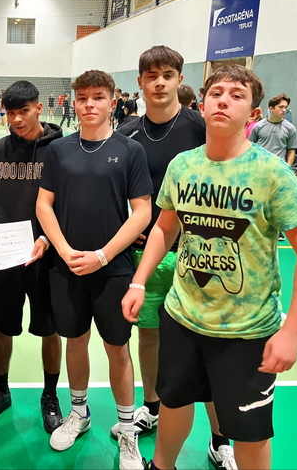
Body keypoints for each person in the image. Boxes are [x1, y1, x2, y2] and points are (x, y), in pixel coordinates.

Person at [125, 65, 297, 470]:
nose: (224, 101)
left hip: (246, 331)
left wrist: (291, 332)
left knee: (250, 432)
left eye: (237, 95)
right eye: (216, 93)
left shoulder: (272, 173)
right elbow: (165, 227)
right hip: (182, 317)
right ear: (201, 104)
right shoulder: (183, 165)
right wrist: (139, 282)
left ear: (253, 112)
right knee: (173, 403)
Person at [116, 45, 232, 469]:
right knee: (148, 336)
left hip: (197, 258)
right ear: (140, 83)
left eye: (168, 75)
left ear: (180, 80)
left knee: (209, 349)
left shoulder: (201, 127)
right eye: (152, 76)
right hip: (145, 254)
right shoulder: (127, 131)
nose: (160, 82)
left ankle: (221, 440)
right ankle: (151, 406)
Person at [36, 70, 152, 469]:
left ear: (112, 101)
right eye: (82, 98)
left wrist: (102, 255)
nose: (89, 104)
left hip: (113, 269)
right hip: (67, 267)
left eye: (98, 97)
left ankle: (127, 429)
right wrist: (65, 250)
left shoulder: (130, 150)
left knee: (118, 347)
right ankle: (79, 413)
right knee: (75, 341)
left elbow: (142, 212)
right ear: (74, 102)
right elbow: (44, 205)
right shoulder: (58, 150)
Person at [0, 80, 63, 434]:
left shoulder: (59, 150)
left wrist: (47, 238)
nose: (17, 120)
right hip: (5, 258)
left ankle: (50, 395)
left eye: (23, 111)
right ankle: (1, 390)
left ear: (39, 108)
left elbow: (65, 205)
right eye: (10, 113)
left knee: (49, 329)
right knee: (3, 326)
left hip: (46, 256)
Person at [248, 93, 297, 167]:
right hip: (259, 166)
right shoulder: (258, 126)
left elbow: (291, 150)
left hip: (278, 168)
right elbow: (250, 146)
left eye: (286, 107)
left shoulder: (290, 128)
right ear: (271, 108)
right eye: (281, 107)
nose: (284, 110)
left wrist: (288, 168)